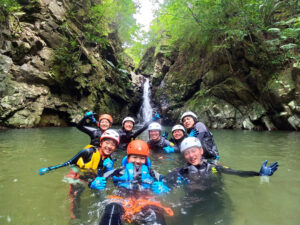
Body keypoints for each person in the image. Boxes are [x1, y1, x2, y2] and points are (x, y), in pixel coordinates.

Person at [164, 137, 279, 225]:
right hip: (191, 200)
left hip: (214, 198)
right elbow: (164, 181)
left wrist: (258, 174)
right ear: (184, 156)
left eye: (194, 151)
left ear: (201, 151)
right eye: (187, 153)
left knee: (221, 219)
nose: (191, 155)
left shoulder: (215, 166)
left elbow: (236, 172)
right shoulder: (181, 171)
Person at [39, 129, 120, 219]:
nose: (109, 146)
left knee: (101, 194)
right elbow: (69, 162)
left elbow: (105, 176)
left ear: (115, 148)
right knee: (77, 192)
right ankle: (74, 217)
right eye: (107, 143)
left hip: (92, 177)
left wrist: (110, 169)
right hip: (77, 173)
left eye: (113, 145)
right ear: (101, 143)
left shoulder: (109, 159)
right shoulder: (88, 152)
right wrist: (50, 168)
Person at [90, 140, 173, 225]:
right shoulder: (119, 171)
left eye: (142, 158)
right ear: (128, 158)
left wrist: (163, 189)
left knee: (154, 211)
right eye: (134, 157)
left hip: (145, 200)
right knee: (112, 207)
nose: (138, 161)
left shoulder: (152, 173)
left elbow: (165, 184)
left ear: (145, 160)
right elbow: (101, 177)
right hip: (121, 200)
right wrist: (95, 184)